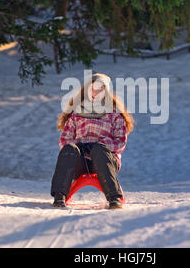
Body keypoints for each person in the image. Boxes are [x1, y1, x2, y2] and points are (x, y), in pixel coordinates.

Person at [51, 73, 134, 209]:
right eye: (93, 88)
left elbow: (120, 143)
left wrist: (100, 144)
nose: (96, 93)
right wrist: (78, 146)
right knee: (68, 149)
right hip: (81, 162)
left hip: (105, 161)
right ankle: (60, 195)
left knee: (99, 150)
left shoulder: (114, 115)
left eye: (101, 89)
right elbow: (65, 140)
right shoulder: (77, 113)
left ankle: (114, 197)